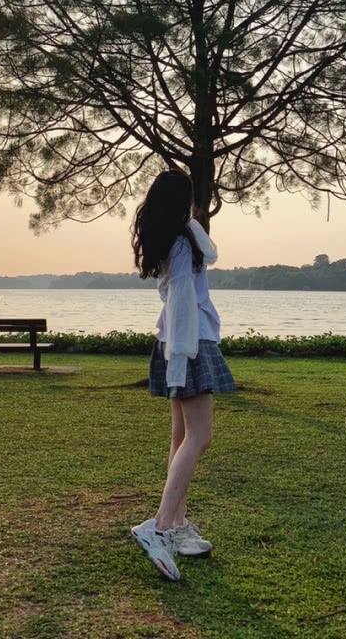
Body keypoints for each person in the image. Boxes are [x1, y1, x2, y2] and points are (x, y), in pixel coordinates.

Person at [128, 168, 236, 581]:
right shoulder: (181, 242)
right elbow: (182, 300)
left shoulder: (177, 237)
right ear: (183, 202)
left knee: (181, 436)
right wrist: (183, 354)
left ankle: (176, 525)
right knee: (200, 435)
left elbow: (203, 260)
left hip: (177, 342)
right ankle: (157, 526)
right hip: (189, 343)